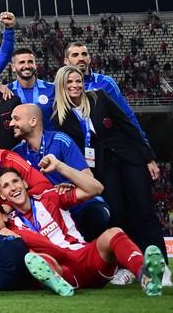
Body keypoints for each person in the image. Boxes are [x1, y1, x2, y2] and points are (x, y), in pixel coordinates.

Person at [0, 159, 165, 296]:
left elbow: (97, 188)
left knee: (114, 233)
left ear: (25, 183)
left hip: (87, 258)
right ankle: (57, 283)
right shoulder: (10, 225)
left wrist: (60, 166)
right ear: (2, 196)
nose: (13, 188)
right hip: (64, 270)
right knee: (35, 258)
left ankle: (146, 276)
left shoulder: (50, 197)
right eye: (6, 186)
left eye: (15, 181)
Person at [50, 65, 165, 264]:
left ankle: (160, 264)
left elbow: (128, 125)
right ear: (61, 85)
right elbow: (70, 153)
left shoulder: (99, 97)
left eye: (78, 81)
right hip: (103, 169)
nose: (75, 85)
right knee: (117, 214)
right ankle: (129, 263)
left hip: (129, 159)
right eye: (70, 82)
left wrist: (149, 158)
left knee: (144, 210)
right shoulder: (60, 119)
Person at [9, 103, 111, 240]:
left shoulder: (60, 140)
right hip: (51, 212)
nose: (11, 124)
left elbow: (88, 176)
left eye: (16, 119)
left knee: (95, 217)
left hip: (80, 204)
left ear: (33, 121)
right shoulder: (17, 153)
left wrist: (70, 181)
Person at [9, 48, 55, 127]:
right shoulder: (7, 91)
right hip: (17, 135)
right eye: (22, 62)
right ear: (13, 67)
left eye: (30, 62)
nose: (27, 66)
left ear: (35, 65)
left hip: (47, 135)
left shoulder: (52, 89)